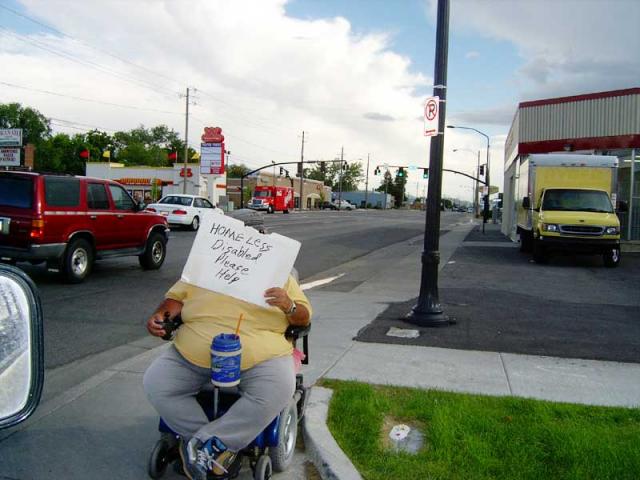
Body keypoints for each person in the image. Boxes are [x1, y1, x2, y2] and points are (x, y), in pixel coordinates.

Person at [143, 273, 312, 480]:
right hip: (193, 352)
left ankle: (204, 445)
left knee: (279, 388)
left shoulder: (278, 273)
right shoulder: (204, 264)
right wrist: (160, 317)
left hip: (262, 355)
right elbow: (174, 300)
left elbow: (304, 317)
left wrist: (289, 305)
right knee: (157, 382)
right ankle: (211, 447)